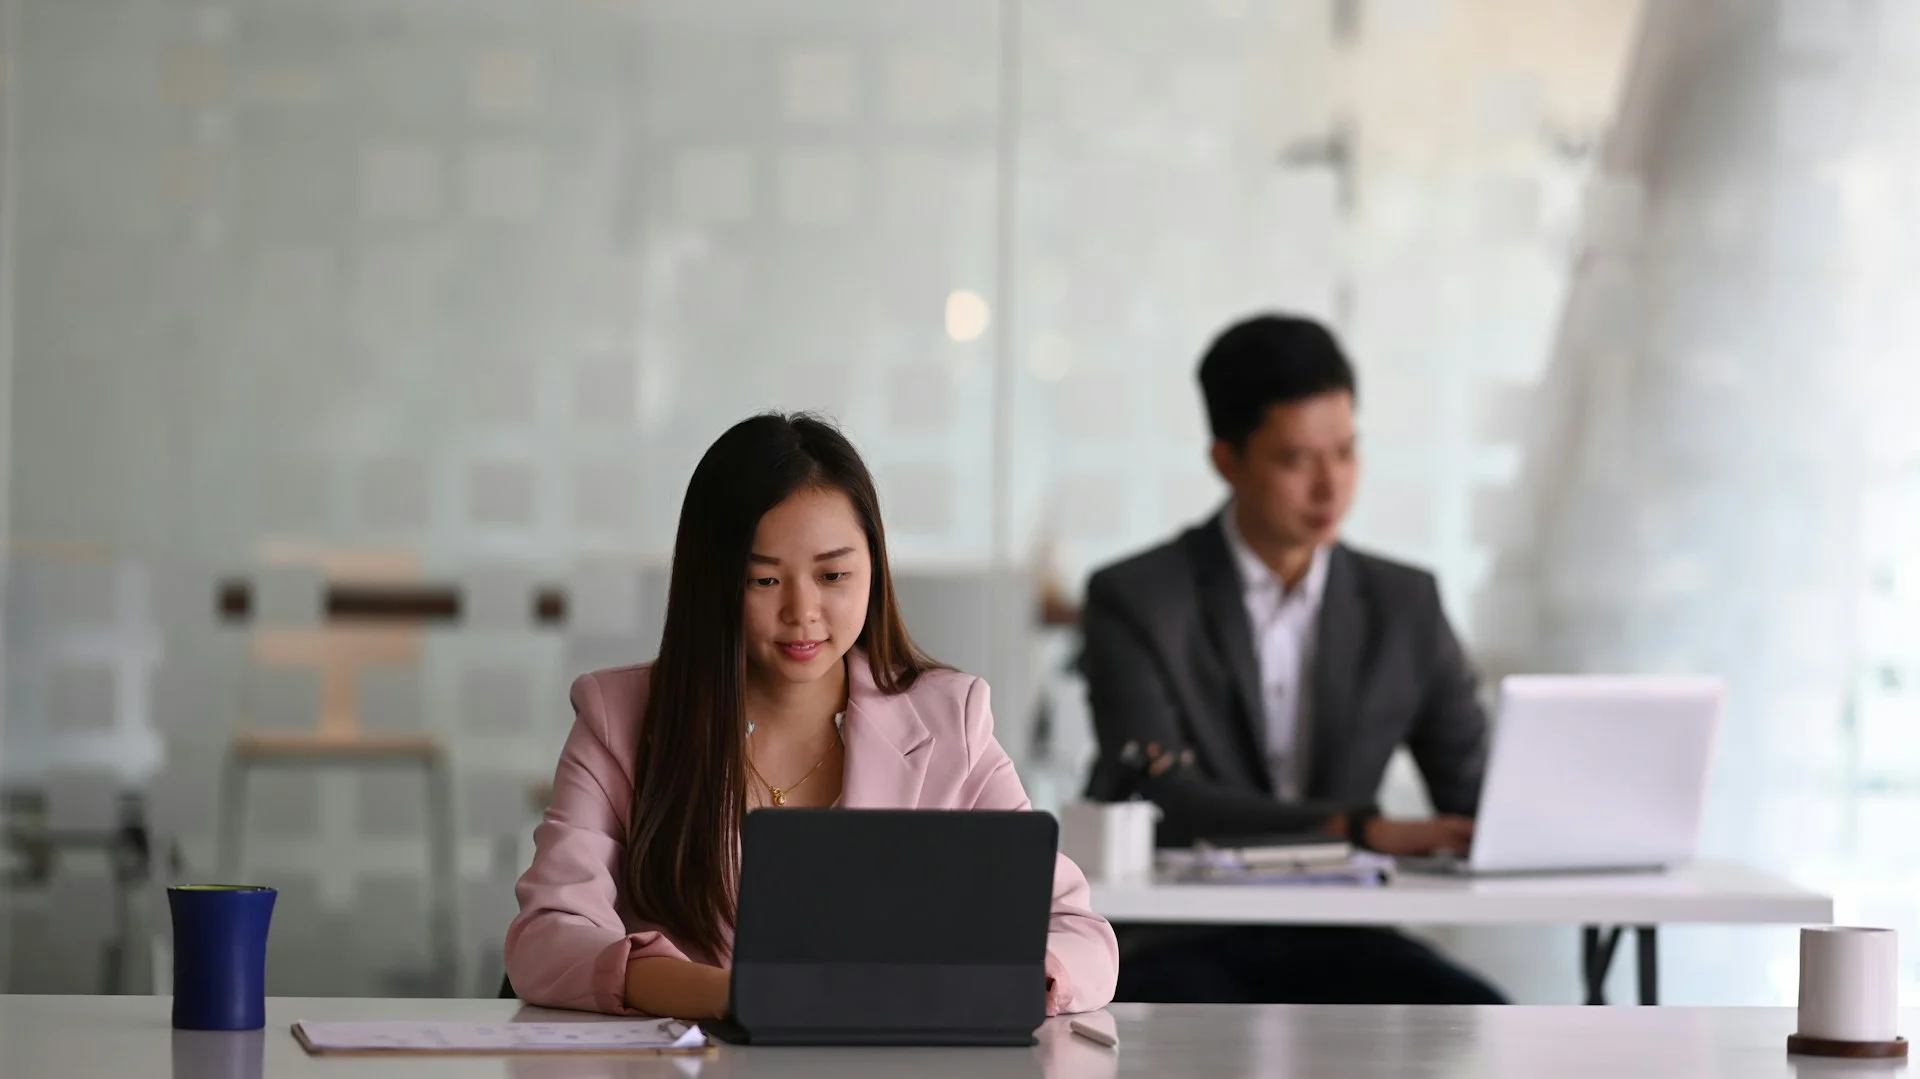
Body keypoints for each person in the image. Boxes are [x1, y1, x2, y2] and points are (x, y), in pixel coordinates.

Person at [505, 412, 1117, 1019]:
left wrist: (990, 989)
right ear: (710, 583)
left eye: (833, 575)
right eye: (764, 580)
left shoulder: (948, 719)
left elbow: (1078, 935)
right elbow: (547, 937)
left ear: (874, 569)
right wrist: (736, 998)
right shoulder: (619, 717)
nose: (803, 611)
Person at [1079, 314, 1505, 1005]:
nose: (1331, 486)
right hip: (1182, 936)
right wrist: (1361, 829)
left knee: (1493, 1026)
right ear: (1227, 459)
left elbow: (1476, 792)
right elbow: (1162, 796)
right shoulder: (1137, 598)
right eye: (1296, 459)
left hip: (1341, 934)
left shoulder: (1405, 605)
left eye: (1345, 451)